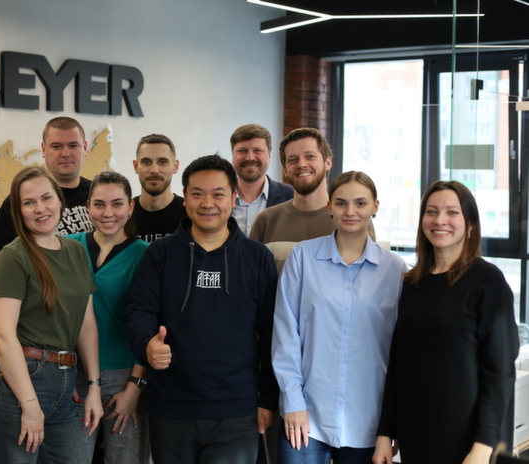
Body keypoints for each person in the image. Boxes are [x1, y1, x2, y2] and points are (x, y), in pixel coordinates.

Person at [126, 154, 278, 464]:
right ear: (185, 198)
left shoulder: (257, 257)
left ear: (233, 198)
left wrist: (268, 398)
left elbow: (272, 334)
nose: (207, 203)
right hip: (171, 406)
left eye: (218, 194)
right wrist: (147, 346)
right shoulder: (160, 254)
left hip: (236, 408)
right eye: (197, 194)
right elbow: (139, 312)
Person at [375, 181, 519, 464]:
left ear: (470, 224)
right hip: (417, 437)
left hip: (470, 443)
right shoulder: (413, 283)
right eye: (431, 211)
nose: (440, 220)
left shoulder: (488, 281)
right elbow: (398, 364)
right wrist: (385, 432)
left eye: (452, 212)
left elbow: (500, 372)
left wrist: (483, 446)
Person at [272, 171, 405, 464]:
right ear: (330, 206)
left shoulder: (395, 270)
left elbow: (400, 352)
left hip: (368, 419)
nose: (350, 211)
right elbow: (285, 335)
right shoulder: (302, 257)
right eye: (342, 203)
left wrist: (391, 423)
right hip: (306, 414)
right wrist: (292, 400)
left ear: (375, 206)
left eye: (360, 203)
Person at [0, 166, 103, 464]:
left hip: (65, 379)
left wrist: (94, 386)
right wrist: (29, 403)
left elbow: (86, 325)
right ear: (18, 211)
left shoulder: (76, 251)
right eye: (29, 202)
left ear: (59, 200)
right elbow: (1, 336)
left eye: (46, 198)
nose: (40, 208)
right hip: (19, 383)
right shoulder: (13, 257)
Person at [70, 171, 151, 464]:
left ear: (130, 207)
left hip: (125, 375)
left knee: (124, 459)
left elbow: (151, 325)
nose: (108, 213)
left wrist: (135, 388)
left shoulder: (146, 255)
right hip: (75, 374)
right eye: (99, 204)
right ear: (88, 207)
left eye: (117, 204)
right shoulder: (68, 247)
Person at [0, 116, 94, 252]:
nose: (65, 153)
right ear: (43, 149)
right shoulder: (20, 199)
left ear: (84, 148)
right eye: (56, 146)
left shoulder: (98, 194)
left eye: (73, 146)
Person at [230, 124, 293, 236]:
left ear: (269, 156)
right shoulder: (218, 197)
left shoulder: (292, 196)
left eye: (257, 150)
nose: (250, 157)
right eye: (242, 151)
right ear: (232, 156)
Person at [132, 133, 186, 243]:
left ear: (175, 166)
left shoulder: (190, 215)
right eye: (146, 162)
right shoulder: (123, 216)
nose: (154, 170)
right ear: (136, 166)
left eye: (162, 162)